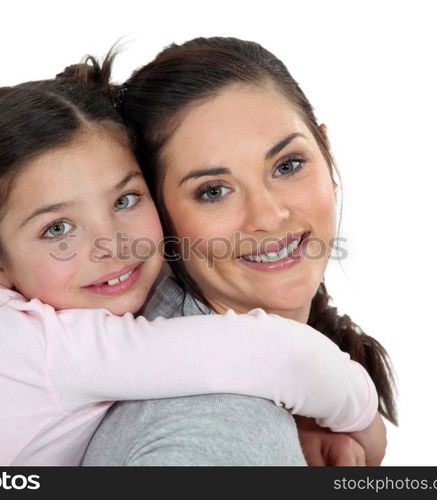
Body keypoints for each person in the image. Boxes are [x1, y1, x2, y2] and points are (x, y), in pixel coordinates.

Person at [0, 54, 381, 466]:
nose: (111, 246)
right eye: (57, 229)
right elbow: (277, 357)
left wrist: (302, 423)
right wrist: (363, 420)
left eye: (125, 201)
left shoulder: (29, 325)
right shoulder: (50, 343)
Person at [83, 37, 397, 466]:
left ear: (326, 151)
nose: (268, 215)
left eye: (287, 165)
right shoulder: (224, 429)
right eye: (213, 191)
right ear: (157, 216)